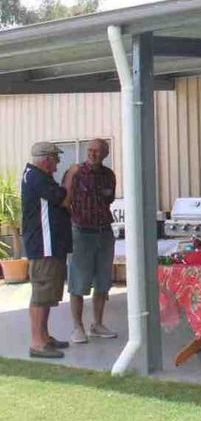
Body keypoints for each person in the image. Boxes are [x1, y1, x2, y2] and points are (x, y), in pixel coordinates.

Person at [62, 139, 118, 343]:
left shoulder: (109, 175)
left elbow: (109, 200)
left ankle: (97, 324)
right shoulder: (75, 172)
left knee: (103, 281)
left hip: (104, 232)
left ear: (105, 153)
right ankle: (78, 327)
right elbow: (65, 200)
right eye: (90, 150)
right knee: (78, 281)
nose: (93, 154)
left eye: (98, 151)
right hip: (81, 233)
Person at [21, 141, 73, 359]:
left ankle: (44, 336)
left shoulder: (39, 177)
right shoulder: (36, 178)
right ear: (46, 160)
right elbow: (65, 200)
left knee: (48, 293)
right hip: (44, 247)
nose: (57, 164)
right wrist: (71, 176)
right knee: (41, 294)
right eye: (55, 159)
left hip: (51, 246)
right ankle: (37, 342)